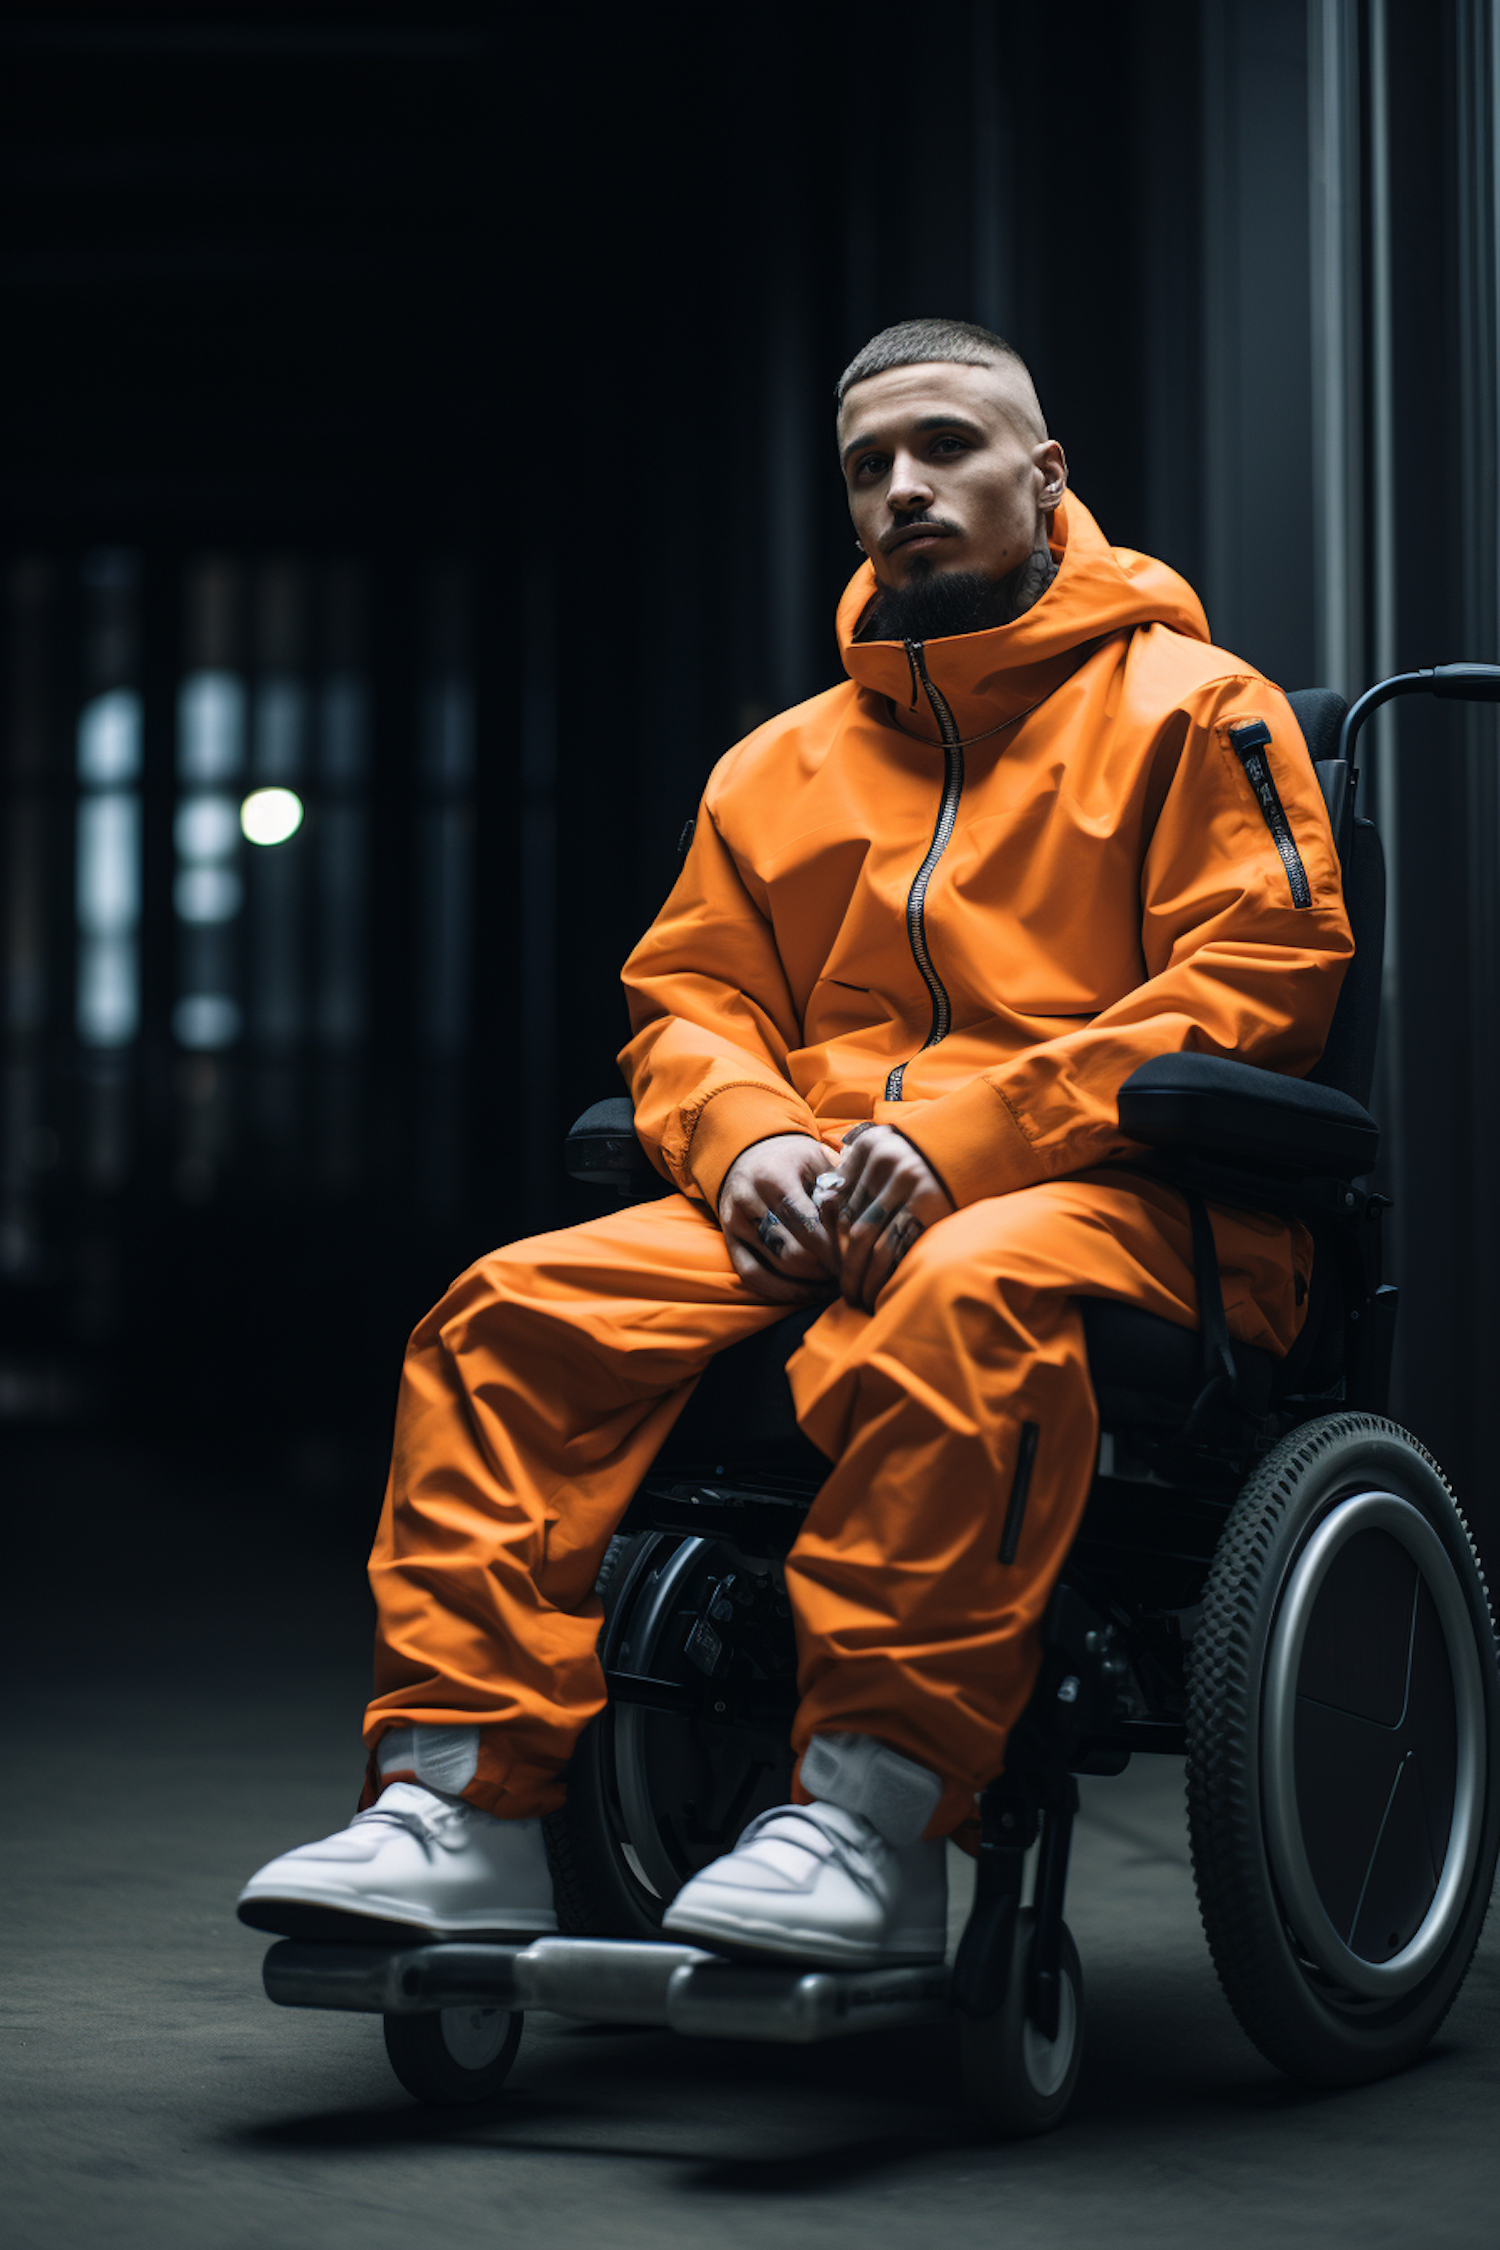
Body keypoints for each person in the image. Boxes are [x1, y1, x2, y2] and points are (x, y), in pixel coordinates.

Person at [238, 318, 1353, 1967]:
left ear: (1048, 477)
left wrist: (978, 1136)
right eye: (868, 467)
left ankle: (864, 1819)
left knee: (959, 1293)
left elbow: (1263, 976)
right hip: (818, 1196)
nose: (905, 487)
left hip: (1120, 1202)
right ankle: (459, 1807)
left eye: (949, 448)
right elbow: (686, 1001)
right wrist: (746, 1135)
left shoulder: (1200, 711)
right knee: (505, 1319)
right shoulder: (779, 767)